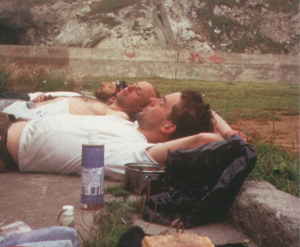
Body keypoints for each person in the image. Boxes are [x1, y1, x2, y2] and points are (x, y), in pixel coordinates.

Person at [0, 89, 241, 179]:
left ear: (168, 128)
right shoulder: (127, 124)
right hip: (8, 122)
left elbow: (207, 140)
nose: (154, 99)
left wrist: (229, 134)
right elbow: (210, 117)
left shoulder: (134, 151)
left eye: (162, 102)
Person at [1, 81, 157, 121]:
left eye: (137, 92)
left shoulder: (118, 117)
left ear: (138, 109)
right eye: (134, 84)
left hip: (21, 117)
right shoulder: (105, 105)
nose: (129, 87)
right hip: (23, 107)